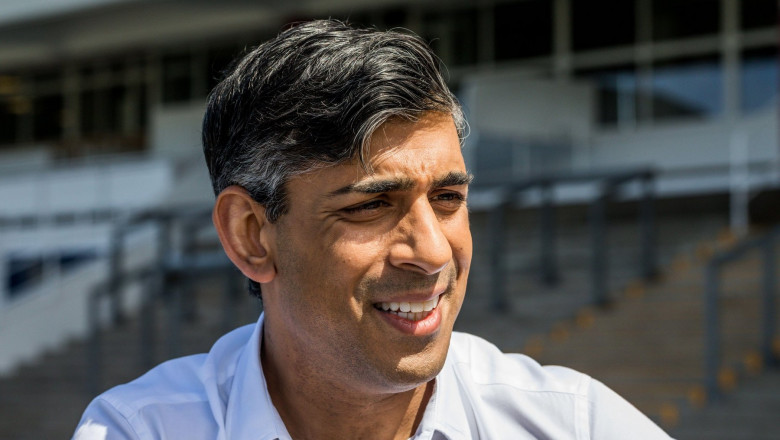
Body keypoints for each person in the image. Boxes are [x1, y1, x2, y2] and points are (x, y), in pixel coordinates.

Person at [73, 19, 672, 439]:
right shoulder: (138, 430)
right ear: (252, 234)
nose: (433, 252)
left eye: (447, 198)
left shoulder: (573, 424)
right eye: (370, 207)